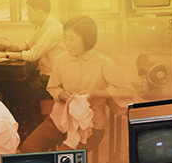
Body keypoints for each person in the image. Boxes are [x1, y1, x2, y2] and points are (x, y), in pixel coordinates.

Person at [20, 15, 134, 154]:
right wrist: (61, 94)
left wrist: (96, 93)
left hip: (89, 125)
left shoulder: (103, 62)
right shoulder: (60, 60)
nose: (66, 43)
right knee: (28, 150)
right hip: (60, 120)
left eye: (72, 39)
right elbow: (52, 87)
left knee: (64, 159)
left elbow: (127, 90)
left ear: (86, 40)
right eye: (65, 37)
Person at [0, 0, 65, 78]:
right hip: (46, 70)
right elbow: (31, 42)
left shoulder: (53, 29)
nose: (27, 14)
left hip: (53, 75)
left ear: (39, 12)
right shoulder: (43, 24)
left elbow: (32, 55)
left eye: (29, 10)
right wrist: (13, 47)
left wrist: (5, 55)